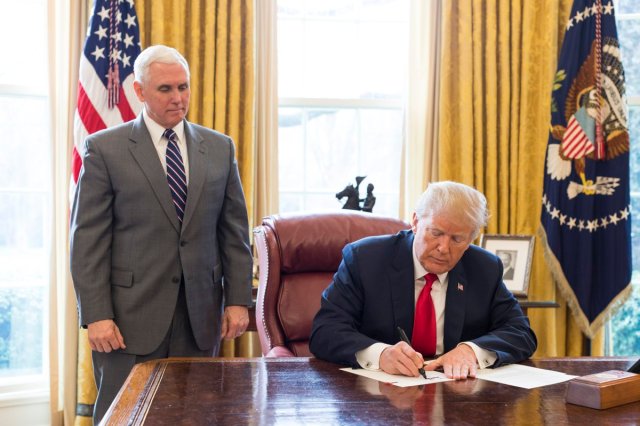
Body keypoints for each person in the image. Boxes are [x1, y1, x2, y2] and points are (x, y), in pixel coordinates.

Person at [70, 45, 253, 423]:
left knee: (196, 416)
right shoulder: (105, 149)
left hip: (200, 317)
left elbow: (233, 232)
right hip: (127, 321)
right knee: (124, 417)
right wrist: (97, 315)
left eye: (184, 87)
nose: (179, 98)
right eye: (166, 89)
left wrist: (237, 300)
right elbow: (87, 241)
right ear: (139, 91)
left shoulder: (219, 148)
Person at [309, 181, 536, 380]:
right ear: (416, 221)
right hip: (378, 395)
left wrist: (471, 351)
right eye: (436, 233)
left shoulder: (484, 268)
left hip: (456, 398)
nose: (443, 248)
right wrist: (380, 355)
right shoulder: (365, 259)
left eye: (457, 238)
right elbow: (325, 331)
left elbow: (521, 332)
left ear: (471, 239)